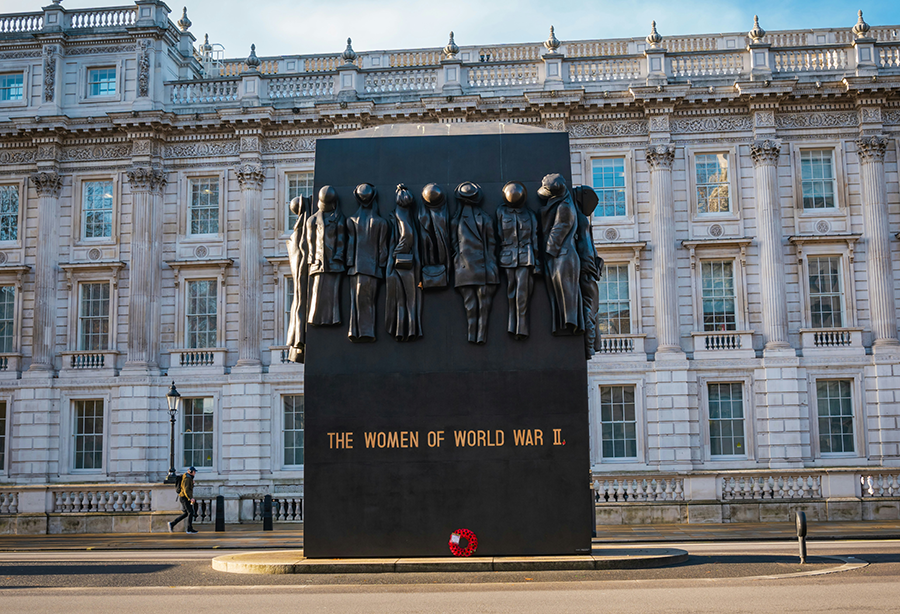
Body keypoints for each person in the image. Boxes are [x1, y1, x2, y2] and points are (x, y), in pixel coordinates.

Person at [452, 181, 499, 344]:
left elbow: (491, 243)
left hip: (481, 268)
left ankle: (480, 336)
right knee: (472, 305)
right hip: (468, 268)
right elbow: (454, 244)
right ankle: (474, 335)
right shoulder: (459, 220)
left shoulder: (483, 218)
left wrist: (491, 264)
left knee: (480, 305)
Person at [496, 181, 540, 339]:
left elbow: (535, 239)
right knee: (511, 292)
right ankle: (511, 325)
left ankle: (522, 326)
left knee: (523, 292)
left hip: (525, 257)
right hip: (508, 256)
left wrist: (537, 263)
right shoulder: (501, 212)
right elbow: (498, 234)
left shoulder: (530, 215)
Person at [168, 466, 198, 534]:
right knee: (190, 512)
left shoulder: (188, 478)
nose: (195, 473)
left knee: (186, 513)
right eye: (194, 472)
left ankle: (172, 524)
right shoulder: (187, 478)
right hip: (185, 498)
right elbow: (186, 490)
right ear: (191, 472)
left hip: (184, 497)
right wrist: (190, 498)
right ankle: (189, 529)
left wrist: (192, 484)